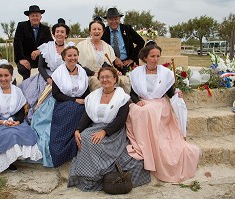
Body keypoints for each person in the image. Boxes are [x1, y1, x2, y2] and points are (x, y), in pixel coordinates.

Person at [68, 67, 150, 191]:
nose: (105, 79)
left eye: (108, 77)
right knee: (84, 137)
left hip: (113, 131)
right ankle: (90, 175)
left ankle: (97, 173)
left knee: (93, 141)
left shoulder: (122, 97)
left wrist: (104, 132)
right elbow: (87, 116)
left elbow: (120, 120)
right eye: (102, 77)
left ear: (115, 79)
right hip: (95, 127)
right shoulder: (93, 96)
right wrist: (78, 130)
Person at [126, 44, 200, 182]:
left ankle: (156, 146)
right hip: (143, 102)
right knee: (137, 110)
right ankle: (145, 144)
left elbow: (169, 92)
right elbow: (133, 93)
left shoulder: (165, 73)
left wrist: (177, 95)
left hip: (160, 106)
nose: (155, 59)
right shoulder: (136, 73)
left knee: (149, 112)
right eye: (152, 56)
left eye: (158, 56)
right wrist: (137, 102)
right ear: (145, 57)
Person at [0, 64, 42, 174]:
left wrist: (17, 121)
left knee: (19, 133)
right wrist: (3, 122)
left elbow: (20, 111)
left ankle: (11, 160)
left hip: (13, 121)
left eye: (6, 75)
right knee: (9, 135)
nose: (3, 79)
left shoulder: (17, 91)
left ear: (11, 76)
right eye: (0, 76)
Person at [19, 18, 72, 122]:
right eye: (57, 32)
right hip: (46, 76)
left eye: (62, 32)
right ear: (53, 34)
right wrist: (48, 79)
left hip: (64, 76)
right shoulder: (47, 47)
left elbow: (75, 64)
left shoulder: (70, 47)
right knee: (37, 95)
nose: (59, 34)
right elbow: (40, 67)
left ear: (66, 35)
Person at [47, 46, 90, 167]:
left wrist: (85, 100)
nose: (72, 58)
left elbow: (86, 91)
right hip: (64, 102)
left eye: (75, 55)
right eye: (69, 55)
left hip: (81, 102)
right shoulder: (58, 73)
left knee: (86, 110)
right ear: (64, 57)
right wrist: (75, 100)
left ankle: (77, 149)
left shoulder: (82, 71)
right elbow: (56, 94)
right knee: (75, 109)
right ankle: (62, 151)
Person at [77, 18, 130, 93]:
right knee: (100, 82)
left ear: (103, 31)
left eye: (99, 29)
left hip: (106, 75)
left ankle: (125, 101)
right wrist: (93, 73)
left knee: (124, 80)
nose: (96, 31)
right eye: (94, 29)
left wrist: (115, 71)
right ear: (90, 31)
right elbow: (77, 65)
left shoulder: (108, 47)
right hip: (90, 76)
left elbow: (110, 65)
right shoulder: (81, 46)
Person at [14, 5, 53, 80]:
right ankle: (25, 86)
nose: (35, 18)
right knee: (23, 69)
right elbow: (17, 42)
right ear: (29, 17)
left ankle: (46, 85)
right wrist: (21, 59)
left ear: (40, 17)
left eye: (37, 16)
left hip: (41, 57)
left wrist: (40, 51)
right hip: (26, 57)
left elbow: (50, 44)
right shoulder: (21, 26)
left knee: (52, 66)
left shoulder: (46, 29)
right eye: (32, 16)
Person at [102, 7, 145, 75]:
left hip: (127, 63)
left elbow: (141, 42)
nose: (114, 22)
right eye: (111, 19)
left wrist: (132, 59)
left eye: (116, 19)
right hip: (110, 63)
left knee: (129, 80)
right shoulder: (104, 32)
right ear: (107, 20)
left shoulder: (127, 29)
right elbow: (101, 48)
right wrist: (114, 58)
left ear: (119, 19)